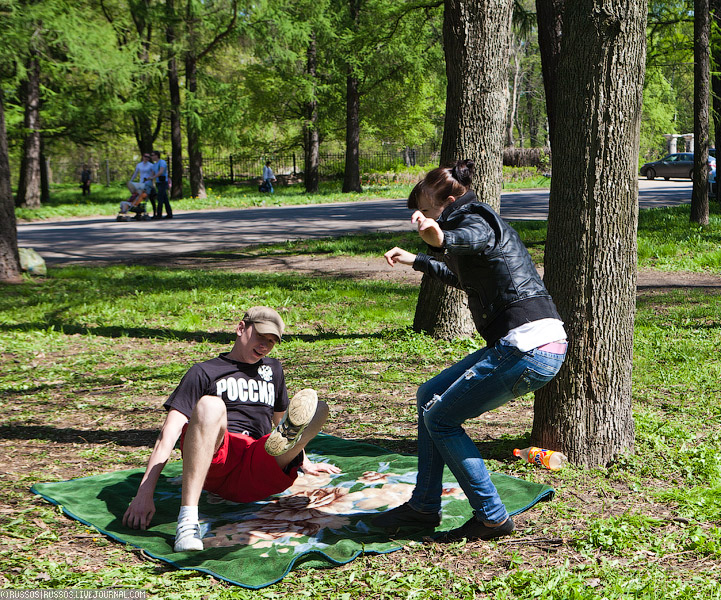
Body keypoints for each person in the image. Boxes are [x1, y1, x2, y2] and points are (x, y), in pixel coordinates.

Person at [376, 160, 567, 543]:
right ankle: (424, 506)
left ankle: (493, 518)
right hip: (522, 345)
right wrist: (418, 260)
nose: (423, 219)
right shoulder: (467, 222)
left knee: (441, 420)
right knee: (428, 395)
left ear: (448, 200)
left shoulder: (478, 218)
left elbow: (468, 239)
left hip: (530, 348)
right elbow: (462, 275)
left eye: (427, 211)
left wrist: (439, 236)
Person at [123, 306, 339, 552]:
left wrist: (305, 461)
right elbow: (169, 433)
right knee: (210, 405)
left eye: (271, 341)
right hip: (216, 461)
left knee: (317, 410)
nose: (265, 346)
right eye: (260, 337)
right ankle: (188, 521)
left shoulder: (273, 370)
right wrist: (144, 492)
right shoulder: (203, 372)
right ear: (240, 328)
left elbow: (283, 423)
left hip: (258, 463)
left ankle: (292, 453)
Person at [123, 153, 158, 218]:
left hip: (148, 183)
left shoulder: (151, 165)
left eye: (148, 157)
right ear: (143, 157)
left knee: (151, 198)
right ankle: (138, 213)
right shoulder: (139, 165)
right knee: (138, 196)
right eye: (145, 156)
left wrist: (151, 180)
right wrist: (131, 181)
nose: (146, 158)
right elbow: (135, 173)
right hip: (141, 183)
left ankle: (155, 213)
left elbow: (153, 174)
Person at [151, 150, 172, 219]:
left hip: (163, 182)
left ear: (157, 156)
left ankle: (159, 214)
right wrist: (149, 178)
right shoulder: (154, 164)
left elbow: (161, 171)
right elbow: (153, 173)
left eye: (153, 155)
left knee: (160, 198)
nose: (152, 157)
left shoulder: (162, 162)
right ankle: (169, 214)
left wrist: (153, 177)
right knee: (165, 199)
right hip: (158, 182)